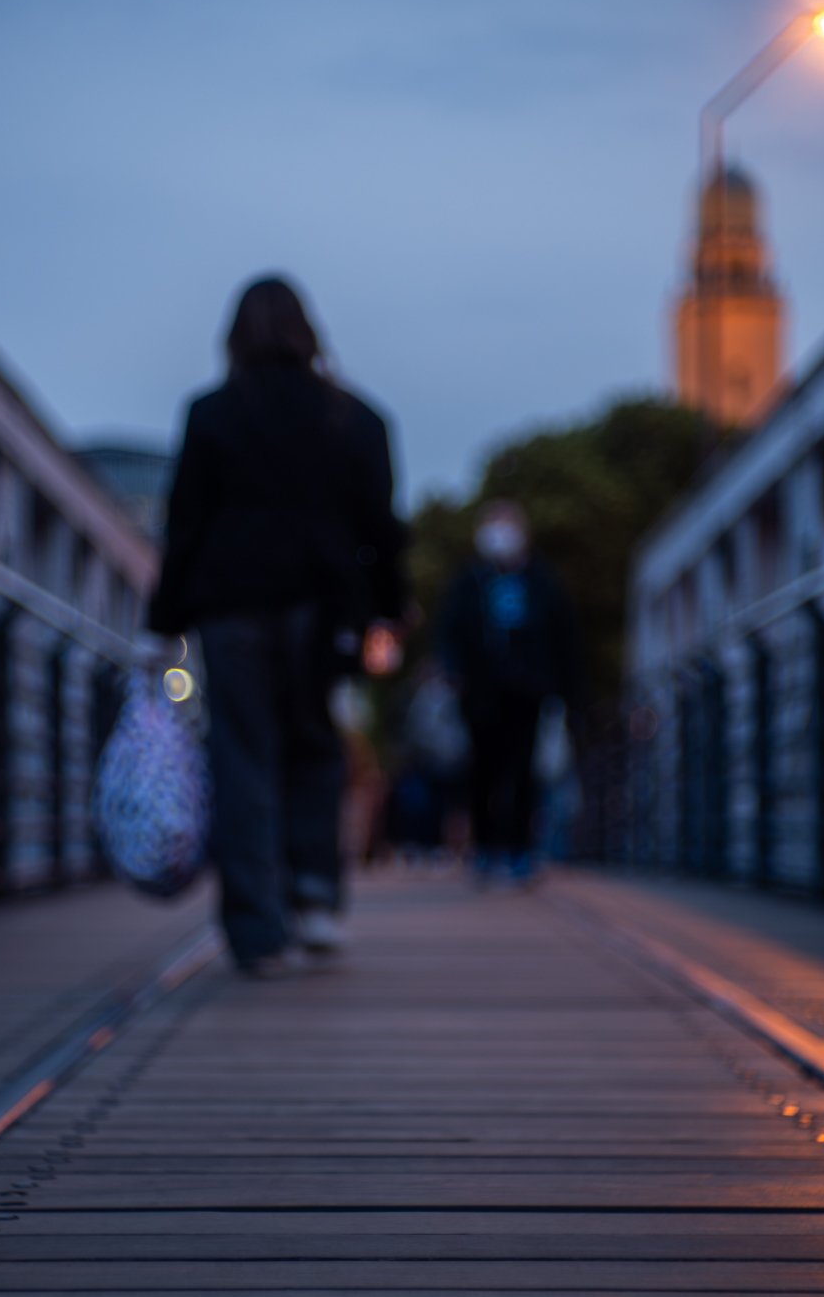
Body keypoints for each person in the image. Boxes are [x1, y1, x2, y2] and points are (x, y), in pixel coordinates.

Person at [147, 276, 405, 974]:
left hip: (231, 609)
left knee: (243, 757)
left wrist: (163, 619)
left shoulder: (211, 414)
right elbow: (382, 531)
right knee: (317, 747)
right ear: (308, 333)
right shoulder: (354, 419)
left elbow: (185, 526)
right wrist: (387, 611)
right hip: (322, 611)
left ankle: (258, 931)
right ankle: (315, 895)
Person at [438, 499, 581, 884]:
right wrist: (454, 672)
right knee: (482, 770)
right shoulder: (469, 579)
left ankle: (519, 850)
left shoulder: (543, 579)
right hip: (480, 693)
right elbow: (450, 630)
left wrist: (564, 690)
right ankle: (485, 849)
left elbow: (563, 637)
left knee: (523, 771)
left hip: (527, 692)